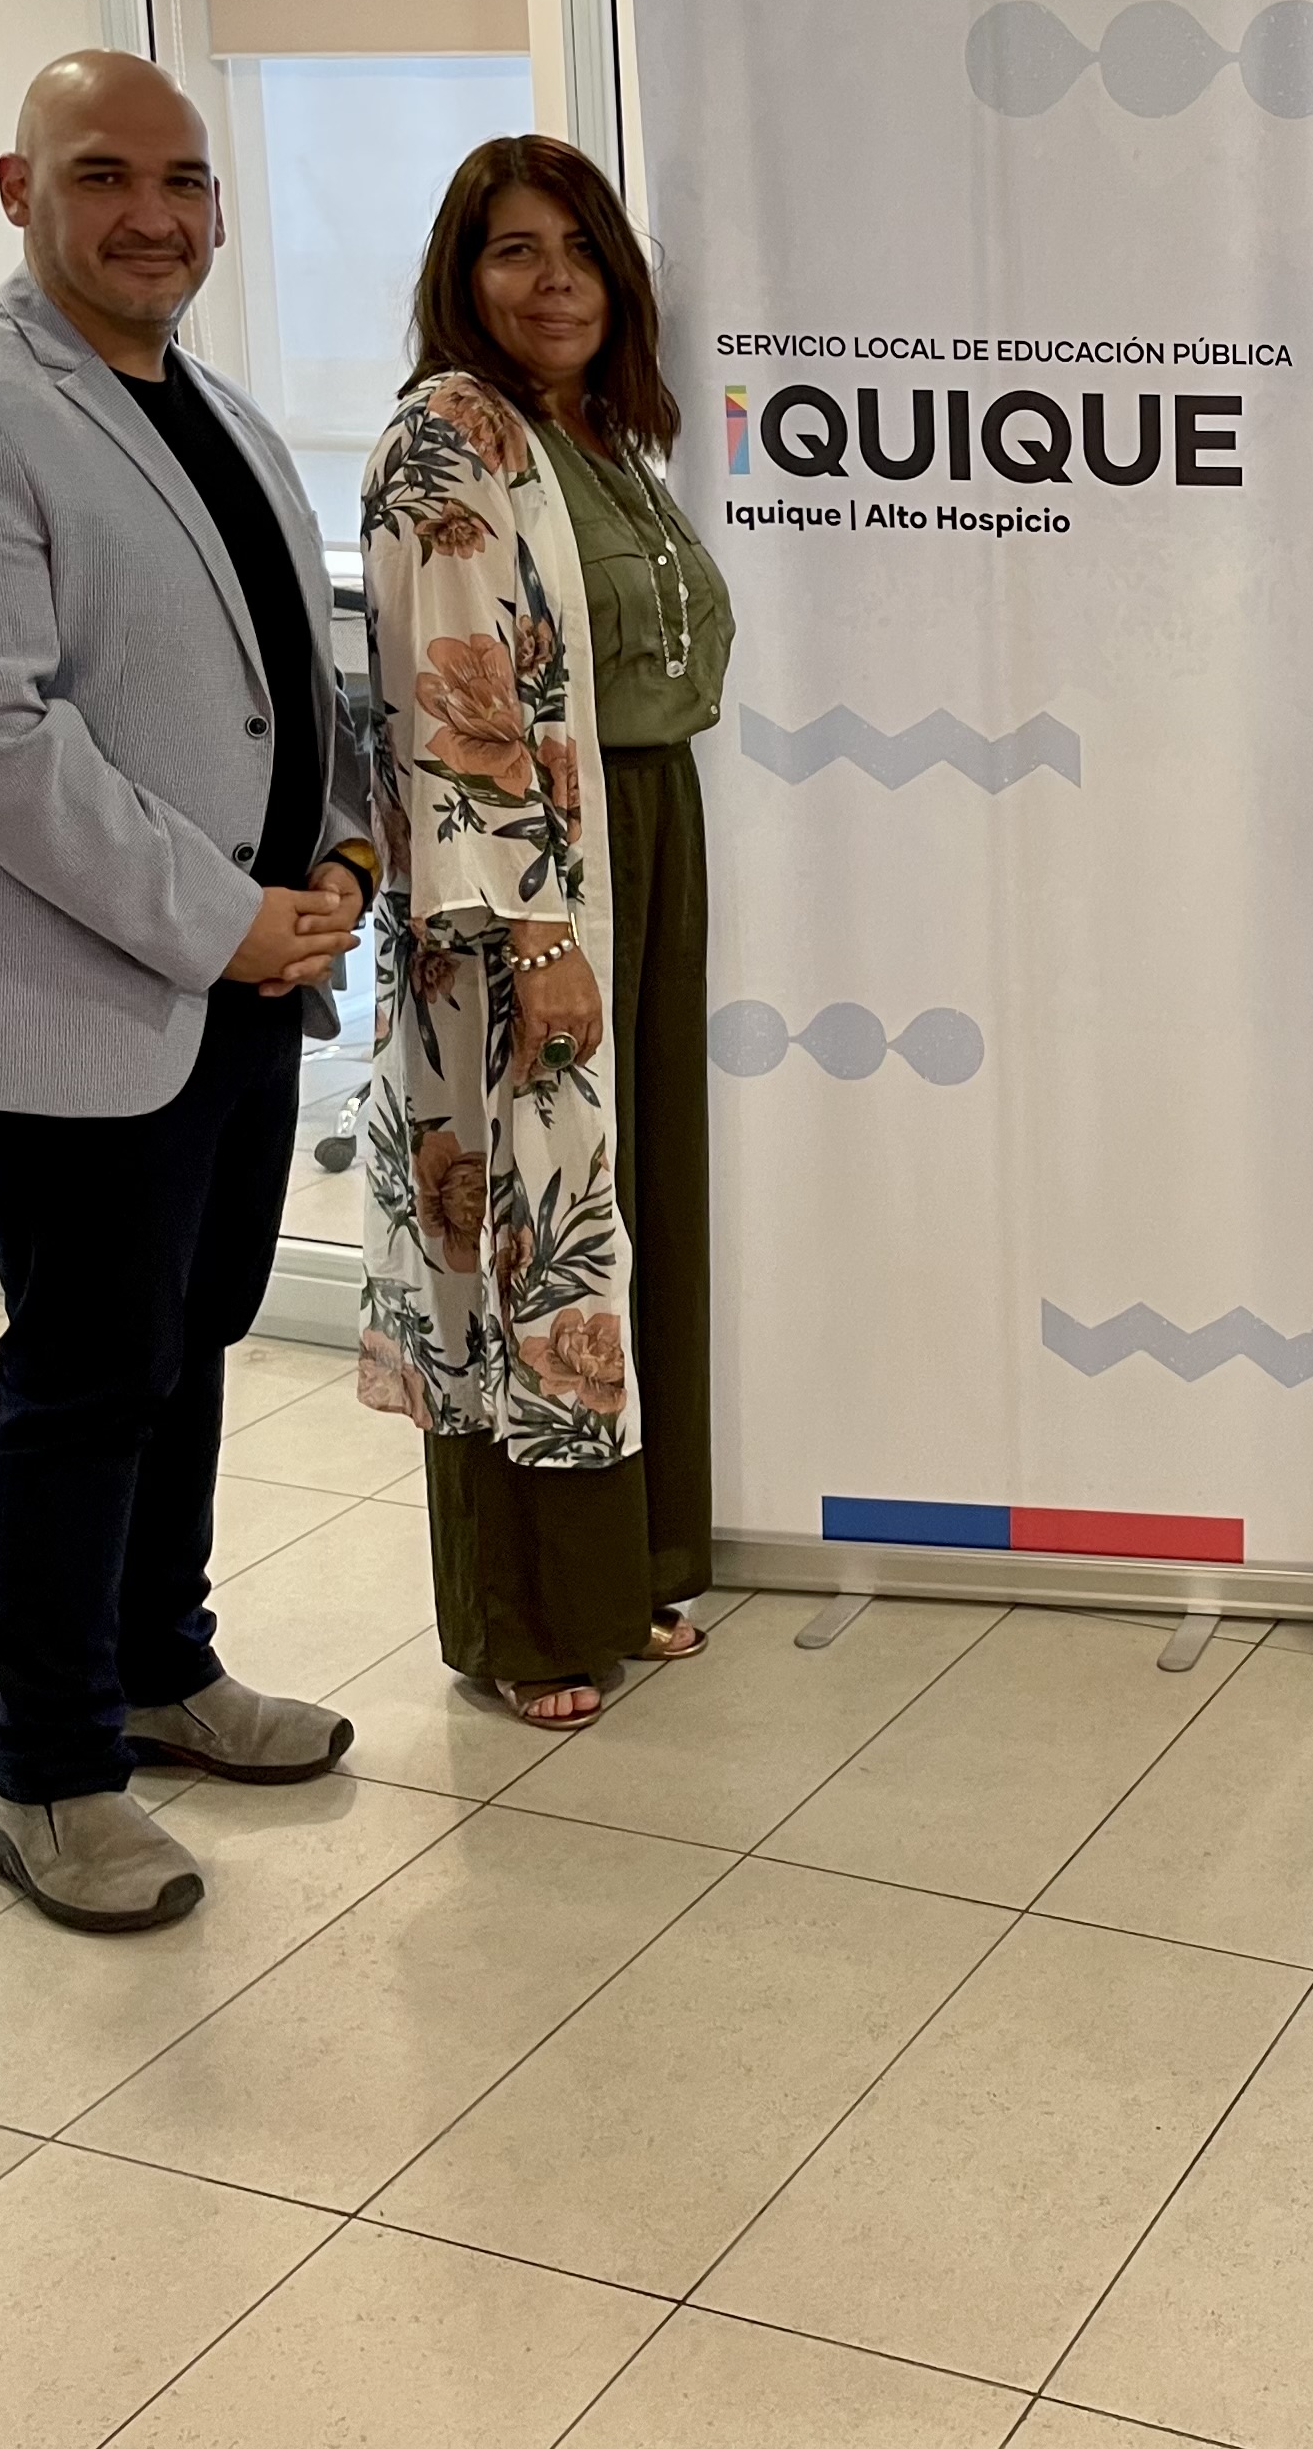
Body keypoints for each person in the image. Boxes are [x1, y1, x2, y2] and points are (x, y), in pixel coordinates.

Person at [0, 50, 371, 1937]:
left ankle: (159, 1669)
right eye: (104, 174)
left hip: (237, 976)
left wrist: (341, 855)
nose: (155, 215)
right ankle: (48, 1771)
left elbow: (289, 683)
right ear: (19, 187)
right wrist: (223, 919)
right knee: (82, 1379)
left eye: (184, 180)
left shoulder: (216, 405)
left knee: (187, 1339)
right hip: (66, 991)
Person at [356, 136, 730, 1728]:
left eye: (579, 250)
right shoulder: (451, 438)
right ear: (464, 276)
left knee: (616, 1215)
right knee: (529, 1230)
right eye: (515, 250)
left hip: (643, 839)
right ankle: (523, 1614)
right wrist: (531, 931)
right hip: (524, 889)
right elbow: (456, 711)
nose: (554, 280)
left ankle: (623, 1566)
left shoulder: (598, 433)